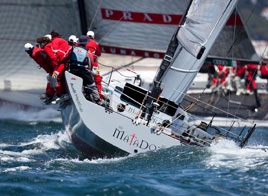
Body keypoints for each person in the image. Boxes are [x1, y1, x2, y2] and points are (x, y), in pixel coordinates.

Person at [68, 35, 102, 105]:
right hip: (83, 71)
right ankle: (98, 100)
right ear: (86, 43)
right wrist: (89, 71)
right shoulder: (87, 51)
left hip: (73, 71)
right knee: (92, 85)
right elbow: (91, 62)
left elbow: (66, 58)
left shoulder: (72, 49)